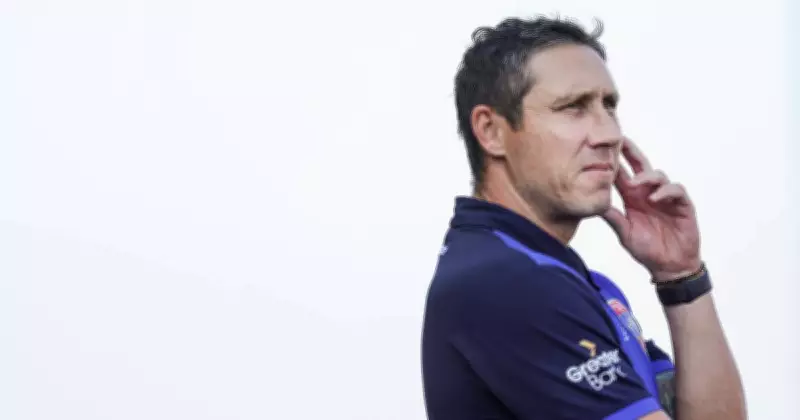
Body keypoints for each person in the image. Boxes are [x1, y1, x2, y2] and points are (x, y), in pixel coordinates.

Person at [420, 16, 746, 420]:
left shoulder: (558, 276)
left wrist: (682, 277)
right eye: (573, 108)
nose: (608, 134)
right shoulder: (509, 283)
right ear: (491, 131)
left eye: (609, 106)